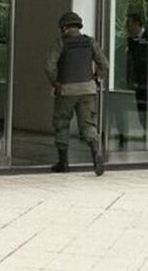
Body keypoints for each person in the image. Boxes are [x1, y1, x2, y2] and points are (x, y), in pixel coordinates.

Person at [45, 11, 109, 176]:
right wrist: (96, 79)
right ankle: (96, 154)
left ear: (64, 27)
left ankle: (63, 162)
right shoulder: (90, 42)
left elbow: (49, 66)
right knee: (88, 125)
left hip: (66, 90)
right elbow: (104, 64)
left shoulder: (60, 43)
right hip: (88, 89)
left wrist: (55, 84)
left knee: (62, 123)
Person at [125, 13, 148, 145]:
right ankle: (146, 132)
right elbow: (131, 60)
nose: (128, 27)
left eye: (130, 24)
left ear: (137, 24)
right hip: (139, 80)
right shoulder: (131, 40)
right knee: (141, 107)